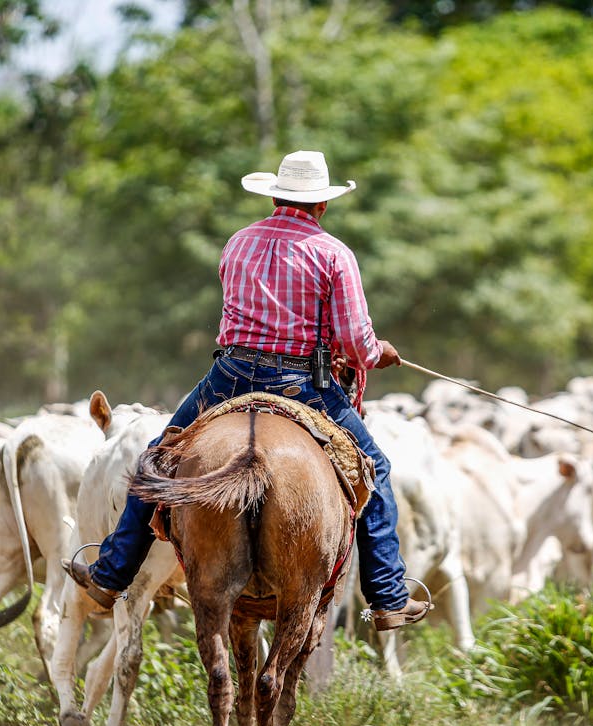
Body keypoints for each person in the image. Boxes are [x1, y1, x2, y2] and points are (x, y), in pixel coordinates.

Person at [63, 150, 429, 631]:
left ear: (274, 195)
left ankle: (111, 574)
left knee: (157, 456)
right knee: (374, 468)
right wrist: (378, 350)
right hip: (301, 383)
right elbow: (355, 344)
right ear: (322, 205)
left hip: (230, 375)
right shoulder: (334, 253)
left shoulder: (238, 242)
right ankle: (386, 596)